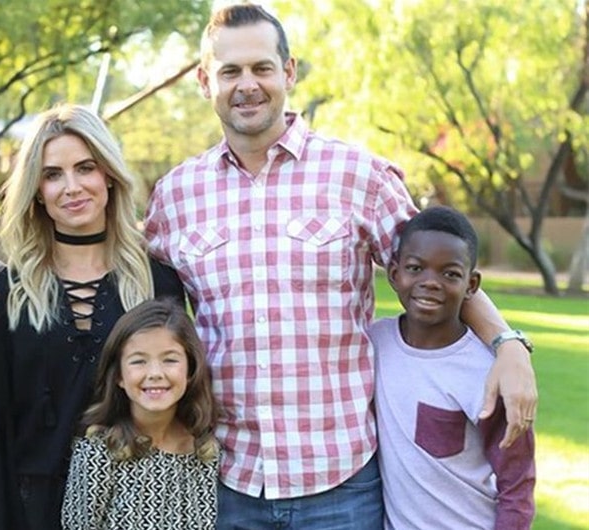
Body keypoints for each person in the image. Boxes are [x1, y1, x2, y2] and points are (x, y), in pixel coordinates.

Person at [142, 4, 537, 529]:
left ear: (289, 72)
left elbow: (439, 274)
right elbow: (143, 308)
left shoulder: (359, 176)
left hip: (342, 485)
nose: (247, 85)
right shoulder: (175, 196)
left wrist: (506, 343)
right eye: (229, 71)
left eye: (261, 68)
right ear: (203, 81)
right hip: (227, 479)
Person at [0, 104, 185, 530]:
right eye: (52, 174)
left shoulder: (158, 285)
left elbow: (179, 409)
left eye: (86, 168)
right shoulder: (3, 294)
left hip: (137, 507)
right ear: (36, 190)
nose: (72, 187)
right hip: (28, 511)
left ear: (109, 176)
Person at [372, 206, 535, 529]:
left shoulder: (490, 374)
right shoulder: (375, 344)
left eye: (450, 274)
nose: (430, 282)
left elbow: (517, 485)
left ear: (471, 285)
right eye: (416, 268)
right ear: (394, 274)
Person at [61, 299, 219, 530]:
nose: (155, 373)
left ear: (190, 369)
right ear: (119, 377)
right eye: (138, 361)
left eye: (170, 360)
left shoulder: (204, 451)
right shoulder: (98, 451)